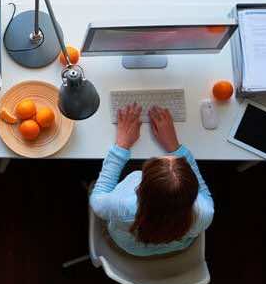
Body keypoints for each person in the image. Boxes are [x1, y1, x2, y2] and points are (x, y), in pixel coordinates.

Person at [89, 104, 214, 257]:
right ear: (193, 192)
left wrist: (121, 145)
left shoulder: (122, 207)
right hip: (174, 247)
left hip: (130, 247)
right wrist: (174, 146)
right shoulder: (205, 213)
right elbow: (203, 189)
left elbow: (97, 198)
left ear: (139, 188)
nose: (167, 156)